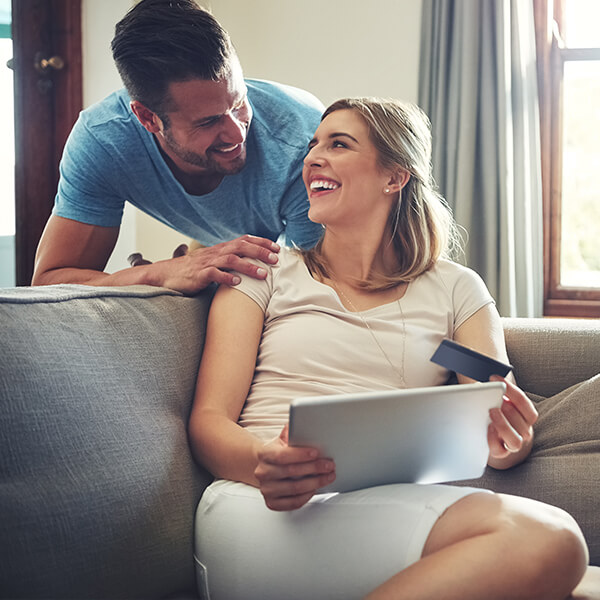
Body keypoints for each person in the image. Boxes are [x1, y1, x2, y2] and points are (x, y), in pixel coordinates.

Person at [188, 97, 590, 600]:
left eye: (339, 144)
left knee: (549, 563)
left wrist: (512, 436)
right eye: (314, 145)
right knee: (549, 541)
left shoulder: (451, 293)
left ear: (394, 177)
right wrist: (262, 462)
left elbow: (494, 416)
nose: (313, 158)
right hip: (260, 505)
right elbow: (208, 420)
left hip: (388, 505)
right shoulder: (263, 273)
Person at [31, 0, 324, 294]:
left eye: (239, 103)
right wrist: (156, 275)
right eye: (208, 122)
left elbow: (306, 290)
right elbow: (50, 282)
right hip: (227, 241)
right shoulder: (105, 142)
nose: (236, 133)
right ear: (148, 118)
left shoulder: (306, 147)